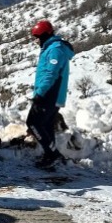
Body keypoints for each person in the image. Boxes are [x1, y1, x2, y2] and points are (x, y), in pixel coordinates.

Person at [26, 19, 74, 169]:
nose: (36, 41)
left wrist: (40, 94)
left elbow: (50, 74)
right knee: (45, 125)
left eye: (38, 37)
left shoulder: (55, 49)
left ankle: (52, 154)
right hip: (51, 94)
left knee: (33, 122)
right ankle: (51, 155)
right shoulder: (51, 47)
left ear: (45, 35)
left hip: (50, 94)